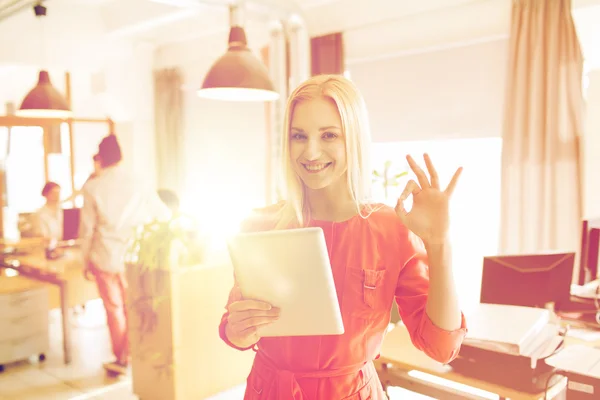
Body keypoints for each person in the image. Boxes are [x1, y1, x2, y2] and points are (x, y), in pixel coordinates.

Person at [218, 75, 468, 399]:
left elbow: (441, 346)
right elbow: (234, 327)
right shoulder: (258, 225)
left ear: (353, 139)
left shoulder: (391, 230)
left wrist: (439, 242)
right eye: (298, 135)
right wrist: (236, 331)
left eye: (328, 135)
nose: (310, 151)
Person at [79, 134, 170, 375]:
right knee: (134, 306)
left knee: (114, 309)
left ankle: (122, 360)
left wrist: (83, 259)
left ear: (101, 158)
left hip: (104, 257)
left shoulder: (92, 187)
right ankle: (133, 354)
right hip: (135, 256)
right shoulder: (139, 181)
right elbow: (162, 214)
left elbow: (86, 230)